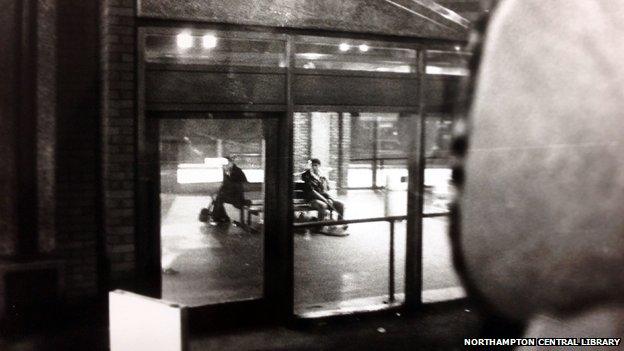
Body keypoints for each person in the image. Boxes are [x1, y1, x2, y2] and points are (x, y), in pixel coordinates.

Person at [209, 156, 248, 224]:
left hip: (239, 198)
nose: (223, 166)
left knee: (219, 198)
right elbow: (224, 185)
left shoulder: (237, 172)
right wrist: (217, 193)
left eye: (224, 164)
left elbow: (237, 187)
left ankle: (217, 217)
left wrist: (221, 194)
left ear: (230, 163)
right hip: (232, 195)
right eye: (223, 165)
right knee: (218, 197)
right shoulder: (227, 171)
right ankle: (223, 217)